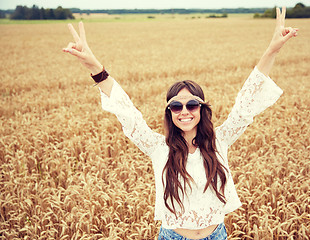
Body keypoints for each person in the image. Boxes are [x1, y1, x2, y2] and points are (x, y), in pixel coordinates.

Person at [63, 7, 297, 240]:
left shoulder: (219, 141)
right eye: (176, 106)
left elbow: (246, 103)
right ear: (169, 112)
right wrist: (95, 67)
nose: (184, 111)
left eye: (192, 104)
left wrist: (272, 50)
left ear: (202, 109)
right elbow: (127, 113)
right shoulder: (158, 147)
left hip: (216, 235)